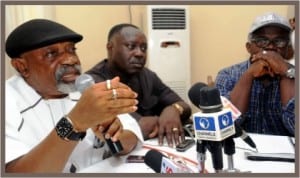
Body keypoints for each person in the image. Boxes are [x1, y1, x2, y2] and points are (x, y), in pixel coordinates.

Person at [5, 19, 143, 173]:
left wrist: (114, 135)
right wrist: (73, 124)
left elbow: (133, 139)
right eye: (52, 53)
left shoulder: (87, 88)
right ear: (22, 66)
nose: (71, 60)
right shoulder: (7, 103)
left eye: (71, 50)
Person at [85, 23, 192, 147]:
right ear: (110, 48)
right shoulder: (95, 82)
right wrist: (165, 120)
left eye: (143, 48)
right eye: (131, 46)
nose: (139, 53)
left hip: (152, 150)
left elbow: (185, 107)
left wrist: (174, 109)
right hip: (115, 158)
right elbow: (138, 126)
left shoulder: (148, 76)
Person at [215, 12, 295, 136]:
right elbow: (225, 127)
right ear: (249, 47)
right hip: (241, 151)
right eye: (262, 41)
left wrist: (286, 73)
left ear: (288, 49)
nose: (270, 47)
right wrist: (249, 75)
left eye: (279, 41)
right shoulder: (227, 75)